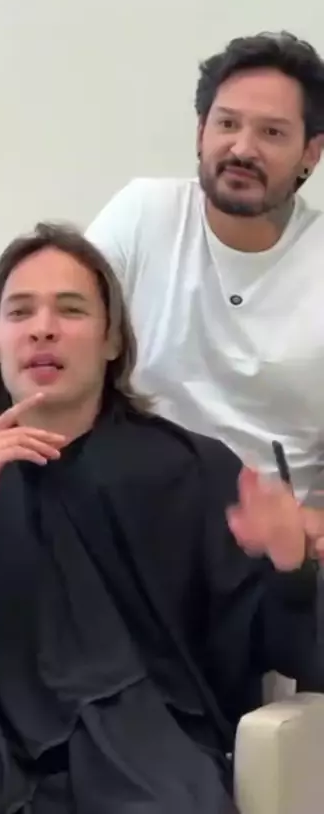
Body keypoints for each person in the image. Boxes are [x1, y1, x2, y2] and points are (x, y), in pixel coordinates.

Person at [0, 223, 323, 814]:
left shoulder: (195, 471)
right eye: (20, 312)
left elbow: (304, 657)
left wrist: (292, 567)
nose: (43, 328)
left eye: (70, 310)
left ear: (112, 340)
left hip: (146, 755)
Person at [86, 30, 324, 502]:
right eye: (227, 124)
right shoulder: (143, 213)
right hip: (127, 508)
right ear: (201, 132)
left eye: (272, 132)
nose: (242, 149)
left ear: (310, 154)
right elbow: (64, 335)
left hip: (273, 531)